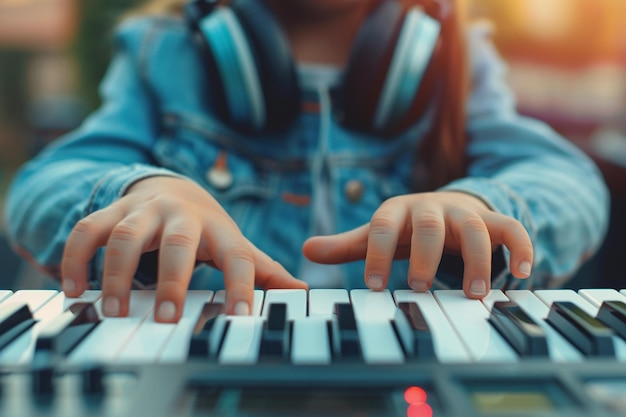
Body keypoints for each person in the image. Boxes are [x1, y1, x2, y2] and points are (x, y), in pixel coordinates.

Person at [4, 0, 609, 323]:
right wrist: (141, 191)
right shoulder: (162, 52)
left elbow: (566, 183)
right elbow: (44, 187)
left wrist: (478, 206)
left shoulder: (456, 59)